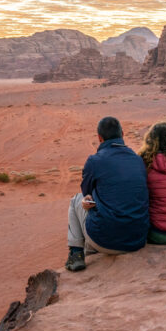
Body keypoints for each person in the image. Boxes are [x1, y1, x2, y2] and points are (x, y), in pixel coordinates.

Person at [66, 116, 149, 272]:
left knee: (76, 200)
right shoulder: (137, 160)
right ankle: (91, 249)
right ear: (122, 134)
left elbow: (87, 193)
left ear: (99, 137)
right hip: (137, 240)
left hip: (106, 240)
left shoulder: (95, 161)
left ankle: (76, 254)